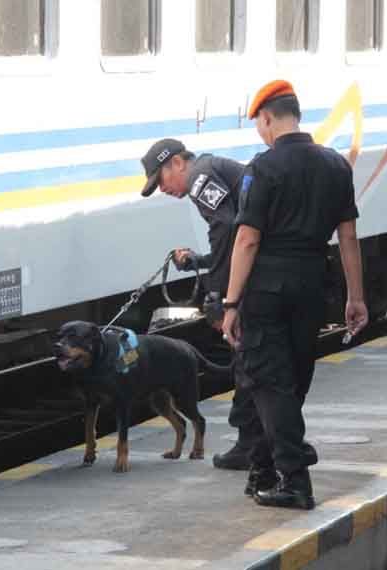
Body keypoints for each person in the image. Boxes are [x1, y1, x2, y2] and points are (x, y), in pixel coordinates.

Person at [221, 80, 368, 510]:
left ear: (268, 118)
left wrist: (231, 302)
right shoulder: (337, 165)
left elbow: (247, 239)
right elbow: (348, 236)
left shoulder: (262, 168)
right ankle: (263, 469)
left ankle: (295, 479)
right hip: (312, 284)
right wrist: (354, 295)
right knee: (293, 380)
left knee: (268, 381)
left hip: (267, 285)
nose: (261, 133)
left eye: (259, 125)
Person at [139, 138, 257, 471]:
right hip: (259, 272)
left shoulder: (200, 177)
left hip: (254, 282)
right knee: (250, 360)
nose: (162, 189)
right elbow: (231, 234)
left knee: (247, 360)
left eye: (161, 180)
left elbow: (226, 227)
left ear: (177, 162)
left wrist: (220, 295)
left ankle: (250, 444)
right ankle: (254, 441)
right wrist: (199, 262)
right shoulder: (212, 171)